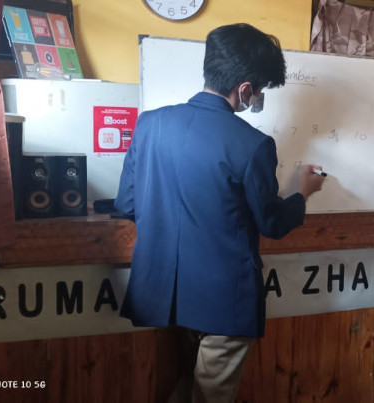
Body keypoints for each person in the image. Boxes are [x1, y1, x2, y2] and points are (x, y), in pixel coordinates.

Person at [114, 23, 326, 402]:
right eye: (259, 90)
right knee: (211, 395)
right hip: (224, 300)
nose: (258, 97)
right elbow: (272, 223)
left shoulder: (149, 124)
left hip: (162, 293)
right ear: (244, 89)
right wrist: (302, 193)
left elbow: (127, 205)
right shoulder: (253, 144)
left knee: (187, 387)